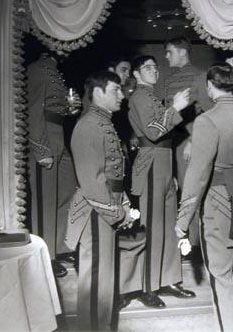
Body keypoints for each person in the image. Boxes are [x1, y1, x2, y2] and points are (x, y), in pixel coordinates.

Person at [176, 63, 233, 332]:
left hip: (217, 206)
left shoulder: (207, 121)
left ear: (210, 87)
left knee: (223, 280)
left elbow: (197, 175)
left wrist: (182, 221)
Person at [67, 70, 145, 331]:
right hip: (95, 211)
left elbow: (112, 172)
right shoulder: (89, 125)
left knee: (104, 279)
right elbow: (91, 182)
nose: (122, 95)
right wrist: (116, 213)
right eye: (115, 90)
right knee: (97, 280)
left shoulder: (103, 122)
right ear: (98, 93)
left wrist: (122, 204)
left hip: (106, 207)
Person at [128, 55, 196, 307]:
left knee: (168, 225)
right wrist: (175, 108)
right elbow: (154, 131)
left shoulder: (152, 96)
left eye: (156, 67)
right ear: (136, 74)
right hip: (151, 162)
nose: (154, 71)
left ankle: (168, 280)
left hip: (165, 160)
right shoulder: (138, 97)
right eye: (147, 68)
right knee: (152, 227)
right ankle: (147, 286)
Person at [27, 51, 81, 277]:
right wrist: (40, 148)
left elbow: (54, 108)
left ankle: (59, 247)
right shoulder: (38, 68)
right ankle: (44, 255)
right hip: (46, 137)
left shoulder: (55, 70)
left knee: (67, 192)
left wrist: (72, 109)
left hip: (59, 134)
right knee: (46, 201)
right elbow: (33, 109)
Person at [161, 37, 212, 245]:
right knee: (177, 191)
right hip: (172, 143)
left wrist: (193, 140)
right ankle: (185, 240)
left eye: (170, 52)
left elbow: (207, 114)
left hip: (189, 142)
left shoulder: (200, 77)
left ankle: (195, 243)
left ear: (183, 52)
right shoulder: (169, 80)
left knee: (191, 191)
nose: (166, 56)